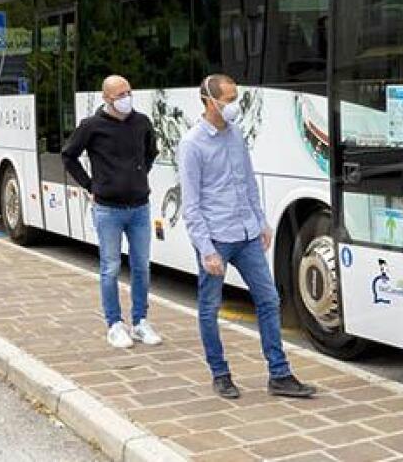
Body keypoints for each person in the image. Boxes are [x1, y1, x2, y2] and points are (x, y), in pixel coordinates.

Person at [178, 74, 316, 400]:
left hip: (247, 233)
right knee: (209, 308)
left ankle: (279, 374)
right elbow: (191, 204)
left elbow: (247, 181)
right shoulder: (192, 144)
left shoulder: (236, 133)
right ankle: (220, 373)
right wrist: (206, 249)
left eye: (235, 98)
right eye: (228, 100)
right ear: (209, 101)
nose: (234, 106)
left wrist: (262, 222)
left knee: (269, 300)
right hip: (217, 238)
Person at [62, 75, 162, 350]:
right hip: (108, 209)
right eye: (120, 95)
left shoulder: (141, 122)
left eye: (128, 92)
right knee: (111, 268)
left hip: (140, 207)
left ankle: (140, 321)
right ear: (106, 98)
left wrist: (138, 176)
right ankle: (114, 324)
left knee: (142, 267)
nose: (126, 98)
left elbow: (150, 152)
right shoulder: (92, 126)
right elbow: (68, 155)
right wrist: (90, 185)